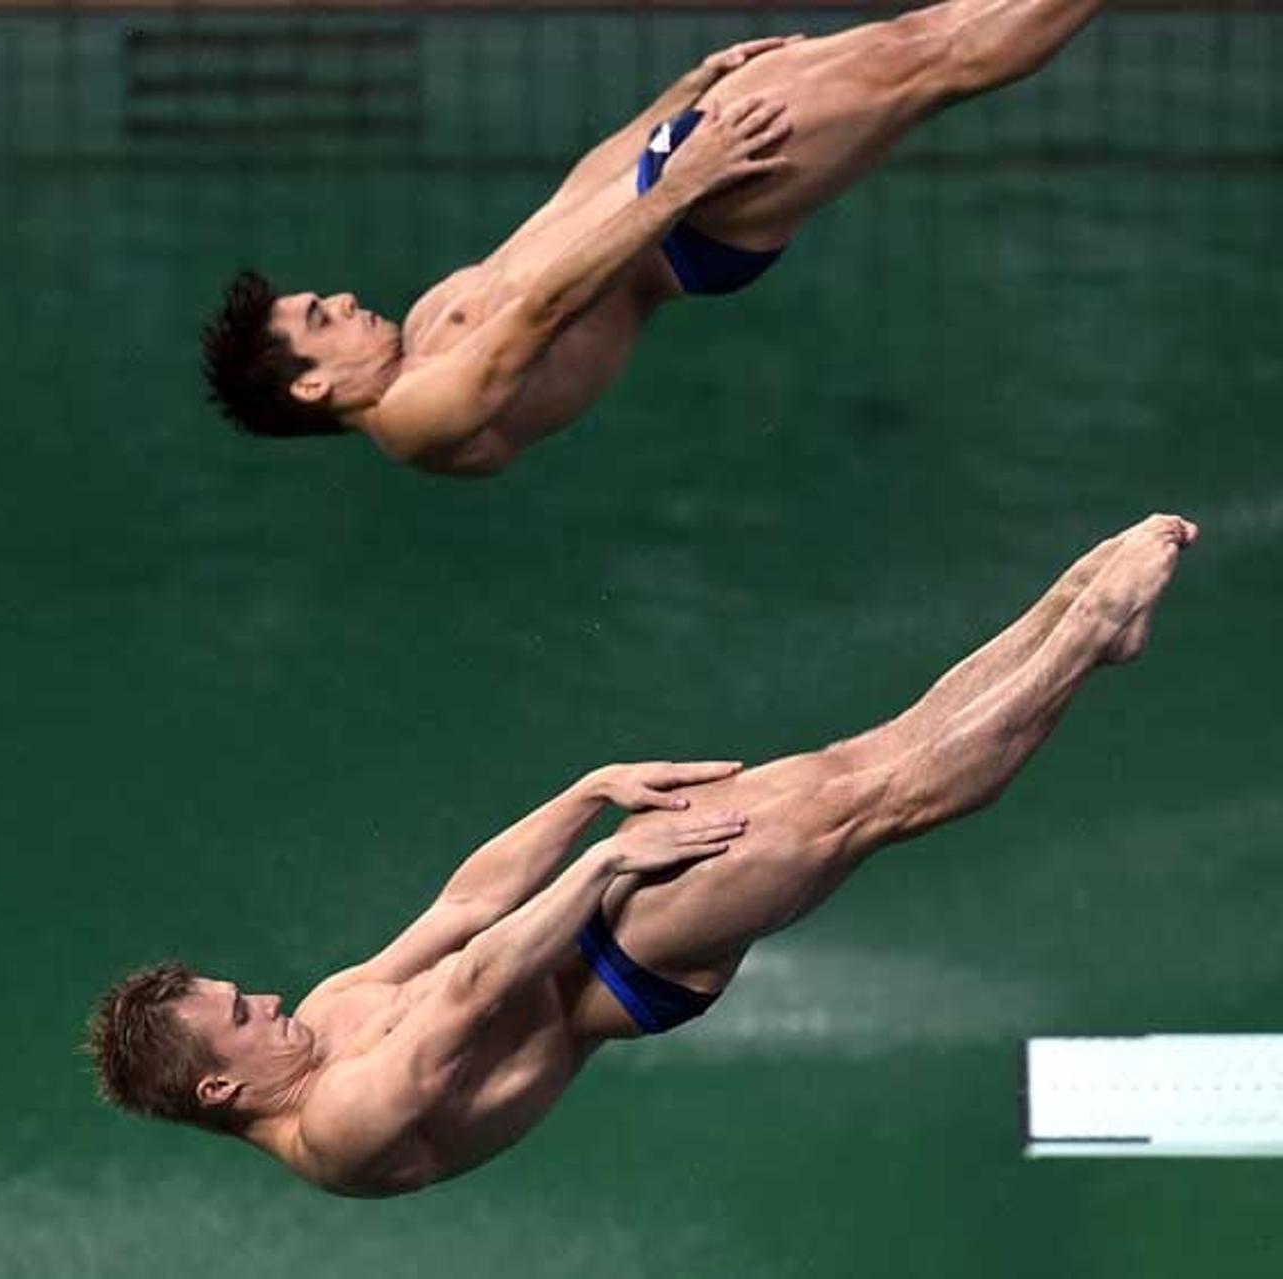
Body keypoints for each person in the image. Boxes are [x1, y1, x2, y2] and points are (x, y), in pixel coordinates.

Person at [87, 514, 1198, 1197]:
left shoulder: (322, 1019)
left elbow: (459, 911)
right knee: (871, 804)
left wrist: (583, 797)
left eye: (241, 990)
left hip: (586, 930)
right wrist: (611, 865)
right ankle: (1090, 640)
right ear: (224, 1083)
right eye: (242, 1012)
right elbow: (478, 983)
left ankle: (1070, 614)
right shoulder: (340, 1125)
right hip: (623, 975)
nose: (270, 995)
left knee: (850, 766)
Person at [201, 0, 1107, 476]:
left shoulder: (423, 334)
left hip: (673, 183)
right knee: (932, 62)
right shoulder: (419, 415)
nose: (345, 299)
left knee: (917, 45)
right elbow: (549, 305)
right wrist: (682, 179)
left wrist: (677, 99)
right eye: (321, 316)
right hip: (690, 220)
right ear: (313, 381)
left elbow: (565, 207)